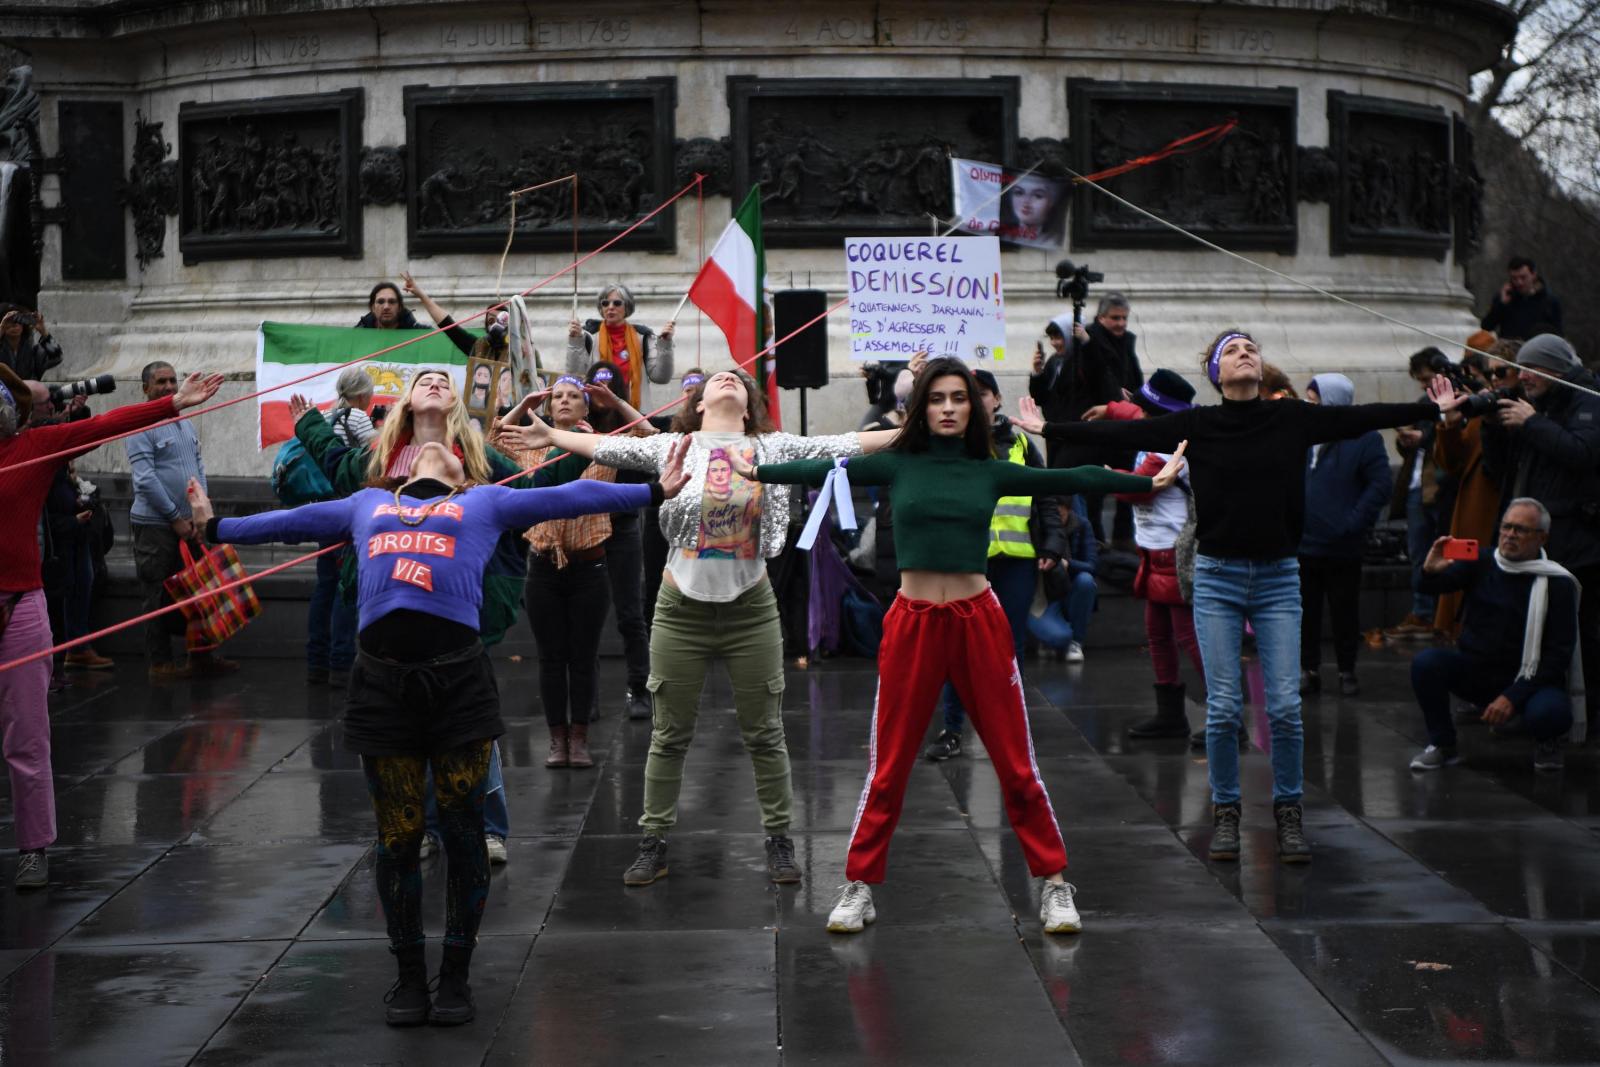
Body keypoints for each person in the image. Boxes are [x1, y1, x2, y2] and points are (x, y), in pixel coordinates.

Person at [189, 436, 688, 1027]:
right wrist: (214, 528)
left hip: (458, 687)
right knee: (397, 839)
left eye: (451, 447)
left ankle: (454, 976)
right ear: (401, 469)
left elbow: (568, 494)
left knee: (462, 833)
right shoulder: (367, 505)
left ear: (462, 470)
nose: (436, 446)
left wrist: (654, 489)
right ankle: (406, 977)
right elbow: (292, 521)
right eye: (428, 445)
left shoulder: (482, 503)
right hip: (381, 687)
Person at [743, 358, 1180, 935]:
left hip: (980, 621)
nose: (948, 407)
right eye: (937, 398)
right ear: (921, 407)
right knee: (889, 765)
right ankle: (859, 884)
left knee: (1015, 763)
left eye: (959, 398)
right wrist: (750, 466)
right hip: (912, 622)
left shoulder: (990, 468)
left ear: (973, 408)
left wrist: (1145, 482)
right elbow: (819, 468)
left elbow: (1070, 481)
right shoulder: (896, 464)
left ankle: (1053, 883)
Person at [1015, 329, 1463, 865]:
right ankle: (1226, 813)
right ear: (1216, 374)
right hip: (1218, 578)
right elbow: (1120, 431)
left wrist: (1433, 410)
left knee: (1285, 710)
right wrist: (1049, 428)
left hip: (1277, 578)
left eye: (1250, 347)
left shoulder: (1292, 417)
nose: (1245, 353)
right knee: (1224, 710)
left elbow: (1360, 417)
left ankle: (1288, 814)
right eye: (1232, 350)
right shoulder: (1198, 425)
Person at [495, 369, 899, 890]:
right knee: (668, 735)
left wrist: (918, 428)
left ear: (749, 405)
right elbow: (607, 448)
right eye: (719, 378)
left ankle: (779, 838)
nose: (729, 378)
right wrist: (551, 435)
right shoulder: (674, 445)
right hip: (680, 609)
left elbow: (848, 441)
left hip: (750, 609)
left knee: (766, 734)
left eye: (738, 378)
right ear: (700, 402)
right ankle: (654, 842)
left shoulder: (772, 446)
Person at [290, 369, 531, 864]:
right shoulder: (376, 457)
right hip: (391, 609)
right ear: (408, 399)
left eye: (445, 380)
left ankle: (486, 828)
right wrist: (307, 426)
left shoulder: (483, 457)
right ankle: (416, 825)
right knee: (404, 730)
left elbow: (534, 490)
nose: (436, 383)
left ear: (456, 403)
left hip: (463, 606)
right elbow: (335, 464)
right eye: (425, 379)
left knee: (470, 725)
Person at [0, 363, 223, 889]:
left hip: (20, 608)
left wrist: (173, 404)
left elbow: (109, 425)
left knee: (27, 738)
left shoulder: (34, 448)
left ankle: (34, 847)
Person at [923, 368, 1065, 761]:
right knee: (957, 649)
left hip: (1016, 563)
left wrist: (1052, 541)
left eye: (983, 393)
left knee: (1009, 648)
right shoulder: (951, 443)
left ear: (997, 399)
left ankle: (1010, 729)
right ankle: (952, 728)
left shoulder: (1020, 441)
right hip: (966, 563)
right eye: (970, 394)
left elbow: (1045, 495)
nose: (977, 400)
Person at [1479, 334, 1600, 734]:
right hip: (1535, 538)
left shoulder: (1586, 399)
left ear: (1554, 369)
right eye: (1522, 370)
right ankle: (1521, 702)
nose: (1523, 377)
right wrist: (1493, 426)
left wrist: (1532, 422)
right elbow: (1499, 471)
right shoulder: (1538, 404)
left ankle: (1581, 714)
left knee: (1580, 632)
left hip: (1576, 542)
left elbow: (1581, 453)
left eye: (1533, 370)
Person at [1408, 498, 1579, 774]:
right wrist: (1428, 570)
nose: (1510, 535)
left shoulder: (1557, 582)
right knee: (1426, 664)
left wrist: (1512, 697)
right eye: (1506, 527)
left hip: (1529, 680)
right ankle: (1442, 744)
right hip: (1479, 671)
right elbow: (1431, 587)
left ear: (1541, 537)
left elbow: (1559, 653)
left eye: (1520, 530)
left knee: (1552, 713)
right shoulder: (1483, 562)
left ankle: (1548, 743)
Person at [1086, 370, 1206, 740]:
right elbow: (1134, 416)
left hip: (1176, 555)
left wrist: (1106, 476)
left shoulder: (1169, 448)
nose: (1139, 412)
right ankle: (1170, 714)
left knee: (1188, 637)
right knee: (1157, 634)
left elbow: (1141, 488)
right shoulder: (1160, 429)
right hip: (1153, 553)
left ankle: (1227, 713)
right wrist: (1110, 408)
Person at [522, 377, 616, 767]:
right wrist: (524, 403)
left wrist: (615, 402)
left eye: (573, 396)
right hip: (542, 567)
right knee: (549, 657)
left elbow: (647, 436)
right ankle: (556, 739)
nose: (564, 400)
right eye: (557, 396)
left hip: (588, 566)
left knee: (582, 656)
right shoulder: (531, 445)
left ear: (586, 407)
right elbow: (492, 438)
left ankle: (579, 738)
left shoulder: (605, 446)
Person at [126, 362, 239, 683]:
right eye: (160, 381)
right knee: (157, 595)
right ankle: (160, 664)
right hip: (156, 526)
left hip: (191, 522)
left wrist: (200, 507)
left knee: (200, 589)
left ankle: (201, 658)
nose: (168, 386)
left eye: (172, 380)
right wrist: (176, 518)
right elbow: (145, 480)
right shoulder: (139, 425)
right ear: (145, 388)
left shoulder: (182, 422)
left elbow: (197, 465)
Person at [1298, 373, 1391, 697]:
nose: (1309, 405)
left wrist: (1353, 522)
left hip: (1342, 544)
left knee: (1344, 611)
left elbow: (1380, 484)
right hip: (1303, 541)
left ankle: (1346, 670)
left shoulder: (1364, 437)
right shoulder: (1305, 433)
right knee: (1304, 611)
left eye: (1314, 399)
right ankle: (1308, 669)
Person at [583, 360, 655, 720]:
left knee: (630, 614)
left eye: (608, 387)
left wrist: (618, 403)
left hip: (622, 527)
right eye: (595, 387)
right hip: (583, 528)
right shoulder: (579, 427)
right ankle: (587, 697)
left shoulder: (628, 428)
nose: (601, 393)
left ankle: (640, 689)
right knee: (587, 618)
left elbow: (652, 435)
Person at [1431, 337, 1516, 637]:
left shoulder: (1523, 414)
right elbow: (1451, 463)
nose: (1494, 381)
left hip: (1501, 521)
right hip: (1471, 518)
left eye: (1501, 373)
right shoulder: (1482, 416)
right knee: (1462, 618)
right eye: (1491, 374)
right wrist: (1450, 421)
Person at [1384, 349, 1449, 639]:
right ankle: (1423, 611)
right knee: (1418, 554)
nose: (1423, 385)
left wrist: (1424, 438)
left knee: (1443, 552)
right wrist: (1408, 440)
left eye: (1426, 378)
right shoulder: (1424, 403)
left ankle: (1443, 612)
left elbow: (1452, 443)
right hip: (1418, 486)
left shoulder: (1453, 399)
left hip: (1440, 487)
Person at [642, 368, 708, 631]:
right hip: (662, 510)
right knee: (656, 575)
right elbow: (642, 427)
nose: (690, 396)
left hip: (697, 512)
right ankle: (653, 631)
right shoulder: (667, 425)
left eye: (697, 391)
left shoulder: (717, 431)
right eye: (687, 390)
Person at [565, 283, 675, 412]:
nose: (610, 307)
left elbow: (661, 377)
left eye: (617, 303)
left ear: (627, 307)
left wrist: (665, 344)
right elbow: (575, 375)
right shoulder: (588, 336)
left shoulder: (643, 337)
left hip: (635, 413)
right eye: (605, 303)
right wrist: (575, 341)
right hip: (598, 414)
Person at [1480, 255, 1564, 341]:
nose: (1519, 282)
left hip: (1536, 351)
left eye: (1523, 277)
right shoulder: (1504, 298)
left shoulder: (1550, 302)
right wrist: (1501, 304)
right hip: (1509, 351)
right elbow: (1486, 327)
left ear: (1533, 275)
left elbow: (1558, 335)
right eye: (1514, 278)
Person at [0, 305, 62, 380]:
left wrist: (42, 330)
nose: (14, 325)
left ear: (23, 324)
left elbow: (57, 357)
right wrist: (1, 329)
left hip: (28, 390)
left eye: (18, 320)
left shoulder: (33, 351)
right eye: (9, 321)